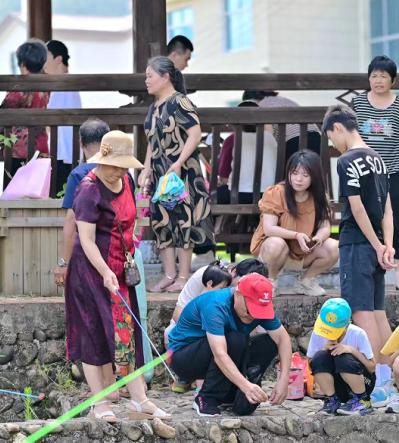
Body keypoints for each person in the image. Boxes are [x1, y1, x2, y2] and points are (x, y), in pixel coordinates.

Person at [65, 130, 171, 422]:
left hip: (121, 269)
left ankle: (139, 400)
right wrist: (105, 272)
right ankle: (99, 403)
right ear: (102, 160)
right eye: (115, 166)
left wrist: (124, 262)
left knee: (128, 333)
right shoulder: (88, 189)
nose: (120, 172)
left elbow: (130, 223)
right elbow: (86, 240)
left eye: (125, 167)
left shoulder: (126, 181)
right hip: (91, 272)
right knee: (94, 334)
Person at [322, 103, 397, 405]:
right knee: (379, 313)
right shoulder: (378, 159)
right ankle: (390, 380)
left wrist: (377, 246)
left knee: (361, 313)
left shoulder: (347, 161)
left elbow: (356, 207)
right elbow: (388, 209)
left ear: (338, 128)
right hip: (377, 243)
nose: (333, 145)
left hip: (356, 243)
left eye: (331, 138)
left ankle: (377, 384)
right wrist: (386, 244)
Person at [167, 273, 292, 417]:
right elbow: (220, 354)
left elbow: (283, 339)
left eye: (258, 311)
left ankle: (231, 392)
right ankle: (206, 398)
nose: (252, 316)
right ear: (238, 295)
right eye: (250, 310)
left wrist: (284, 381)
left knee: (268, 343)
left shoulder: (261, 307)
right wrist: (246, 386)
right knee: (235, 339)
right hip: (183, 357)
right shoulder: (216, 305)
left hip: (223, 351)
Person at [141, 56, 213, 293]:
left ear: (165, 77)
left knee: (184, 221)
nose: (146, 80)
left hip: (182, 172)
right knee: (162, 221)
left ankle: (183, 276)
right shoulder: (154, 107)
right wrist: (146, 168)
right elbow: (152, 142)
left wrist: (180, 162)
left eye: (150, 76)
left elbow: (195, 134)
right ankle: (169, 274)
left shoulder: (180, 102)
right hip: (160, 173)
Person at [351, 56, 399, 290]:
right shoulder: (357, 104)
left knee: (397, 222)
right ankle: (365, 272)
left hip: (394, 173)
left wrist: (392, 159)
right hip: (364, 174)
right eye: (374, 76)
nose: (378, 80)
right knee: (364, 221)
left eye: (383, 76)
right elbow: (349, 135)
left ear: (393, 80)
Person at [250, 150, 340, 297]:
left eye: (305, 175)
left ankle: (306, 282)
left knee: (334, 247)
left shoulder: (319, 197)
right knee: (276, 243)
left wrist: (318, 237)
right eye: (294, 173)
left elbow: (325, 227)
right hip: (274, 252)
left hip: (303, 251)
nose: (299, 179)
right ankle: (270, 281)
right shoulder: (276, 192)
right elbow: (269, 229)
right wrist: (296, 235)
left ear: (314, 177)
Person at [164, 257, 268, 346]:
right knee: (169, 332)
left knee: (263, 334)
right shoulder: (208, 274)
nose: (247, 290)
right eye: (244, 282)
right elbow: (178, 314)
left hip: (232, 326)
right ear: (234, 272)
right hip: (200, 324)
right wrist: (213, 327)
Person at [56, 118, 109, 288]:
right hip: (117, 251)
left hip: (87, 252)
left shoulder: (79, 175)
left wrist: (63, 262)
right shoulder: (124, 173)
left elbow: (72, 220)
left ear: (81, 143)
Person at [308, 298, 376, 416]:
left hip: (362, 382)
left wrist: (353, 351)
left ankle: (362, 401)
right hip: (337, 386)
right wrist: (324, 349)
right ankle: (332, 400)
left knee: (343, 357)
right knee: (319, 356)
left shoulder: (357, 333)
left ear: (347, 325)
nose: (328, 333)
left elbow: (372, 368)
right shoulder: (318, 333)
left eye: (333, 330)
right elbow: (311, 364)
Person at [0, 39, 51, 175]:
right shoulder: (48, 83)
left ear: (22, 64)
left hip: (19, 148)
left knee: (16, 184)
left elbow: (5, 109)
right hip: (41, 143)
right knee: (38, 184)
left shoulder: (19, 85)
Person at [243, 90, 323, 171]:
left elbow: (269, 134)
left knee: (288, 172)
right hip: (316, 138)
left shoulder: (261, 105)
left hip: (294, 142)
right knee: (313, 173)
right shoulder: (284, 100)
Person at [217, 101, 277, 204]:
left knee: (217, 193)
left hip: (238, 195)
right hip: (268, 195)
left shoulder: (232, 139)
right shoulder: (270, 138)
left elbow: (223, 178)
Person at [45, 40, 82, 192]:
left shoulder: (64, 83)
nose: (43, 62)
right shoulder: (62, 83)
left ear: (58, 59)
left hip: (63, 151)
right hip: (64, 150)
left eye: (46, 57)